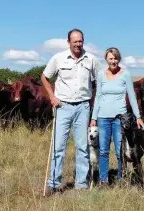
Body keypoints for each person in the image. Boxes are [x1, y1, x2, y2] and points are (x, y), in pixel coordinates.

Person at [41, 28, 101, 196]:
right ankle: (53, 184)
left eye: (80, 41)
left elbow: (98, 82)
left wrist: (92, 102)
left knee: (82, 147)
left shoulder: (91, 59)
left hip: (83, 107)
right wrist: (52, 96)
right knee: (58, 146)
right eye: (75, 41)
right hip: (63, 107)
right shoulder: (58, 58)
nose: (78, 44)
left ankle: (81, 185)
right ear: (68, 42)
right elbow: (44, 77)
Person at [90, 47, 144, 187]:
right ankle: (103, 180)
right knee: (103, 150)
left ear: (118, 59)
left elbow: (132, 96)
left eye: (115, 58)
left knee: (120, 151)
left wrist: (138, 116)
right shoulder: (101, 75)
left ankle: (122, 179)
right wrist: (94, 117)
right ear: (106, 60)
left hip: (120, 119)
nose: (113, 61)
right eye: (110, 58)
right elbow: (98, 97)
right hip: (102, 117)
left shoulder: (125, 74)